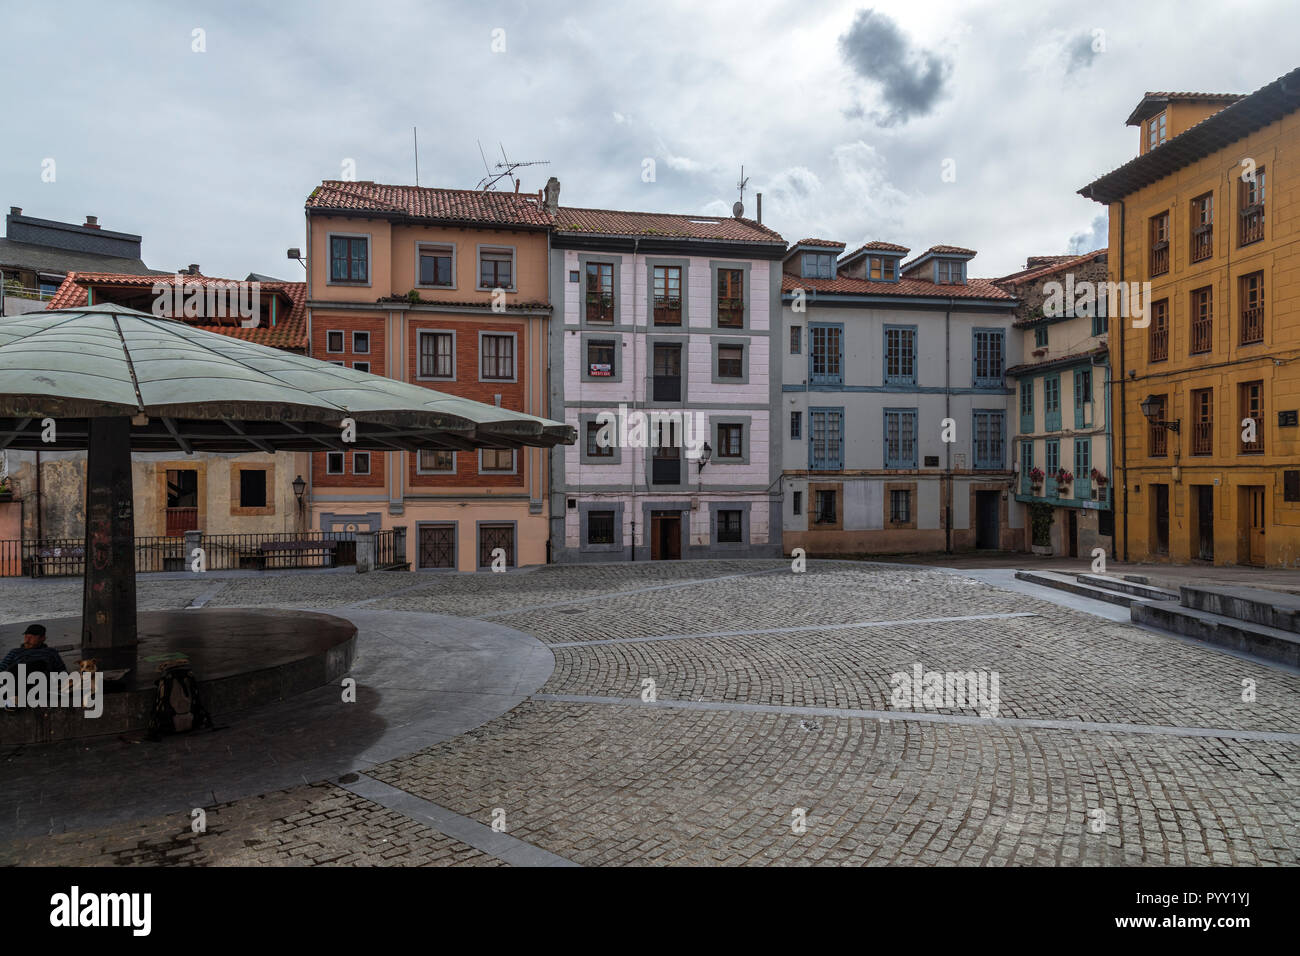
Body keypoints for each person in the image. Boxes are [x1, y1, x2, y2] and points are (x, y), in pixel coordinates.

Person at [0, 624, 65, 674]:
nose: (27, 640)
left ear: (42, 638)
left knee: (39, 664)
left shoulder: (50, 652)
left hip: (41, 681)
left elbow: (62, 671)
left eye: (31, 637)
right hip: (17, 680)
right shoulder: (15, 652)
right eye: (26, 637)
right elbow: (2, 667)